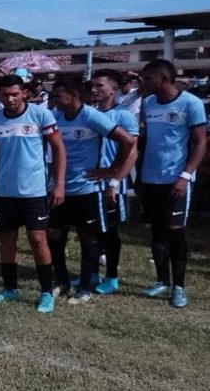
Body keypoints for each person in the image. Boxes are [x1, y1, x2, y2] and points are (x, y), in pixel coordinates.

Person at [0, 75, 66, 313]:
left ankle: (46, 292)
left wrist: (58, 184)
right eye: (5, 94)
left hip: (34, 192)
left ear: (24, 93)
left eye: (15, 94)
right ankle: (10, 288)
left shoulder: (40, 115)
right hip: (6, 193)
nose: (10, 99)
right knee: (6, 241)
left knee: (38, 241)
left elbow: (59, 149)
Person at [49, 79, 136, 304]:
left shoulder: (91, 116)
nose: (55, 100)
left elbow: (127, 141)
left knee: (87, 237)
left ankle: (86, 286)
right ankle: (62, 280)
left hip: (87, 189)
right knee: (55, 235)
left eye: (59, 95)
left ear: (74, 95)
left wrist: (112, 169)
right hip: (59, 187)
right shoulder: (56, 117)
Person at [137, 59, 207, 308]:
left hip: (176, 180)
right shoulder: (149, 103)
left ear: (163, 79)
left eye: (147, 79)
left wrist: (185, 176)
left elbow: (200, 142)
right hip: (150, 178)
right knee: (157, 231)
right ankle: (161, 280)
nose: (143, 83)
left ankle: (179, 286)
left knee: (175, 231)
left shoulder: (191, 103)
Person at [88, 70, 139, 294]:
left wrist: (114, 180)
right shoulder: (88, 113)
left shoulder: (123, 115)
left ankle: (111, 276)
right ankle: (90, 273)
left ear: (113, 89)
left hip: (110, 183)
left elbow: (132, 153)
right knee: (90, 230)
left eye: (99, 86)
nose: (94, 90)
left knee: (109, 231)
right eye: (92, 85)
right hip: (89, 182)